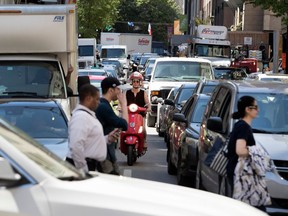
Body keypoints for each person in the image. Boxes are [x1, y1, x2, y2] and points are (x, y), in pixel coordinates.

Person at [227, 96, 272, 212]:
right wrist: (257, 152)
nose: (258, 110)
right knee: (251, 209)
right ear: (248, 109)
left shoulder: (240, 125)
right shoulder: (243, 127)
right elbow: (240, 150)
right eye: (256, 107)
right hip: (242, 174)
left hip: (238, 172)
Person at [66, 84, 118, 172]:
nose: (99, 102)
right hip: (83, 166)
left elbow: (90, 141)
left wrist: (107, 138)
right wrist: (83, 170)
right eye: (97, 99)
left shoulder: (86, 115)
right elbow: (76, 146)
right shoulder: (81, 117)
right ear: (88, 99)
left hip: (90, 165)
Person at [95, 77, 128, 175]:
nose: (120, 92)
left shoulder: (103, 105)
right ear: (110, 90)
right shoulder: (104, 107)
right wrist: (123, 103)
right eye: (118, 89)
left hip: (106, 154)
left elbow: (118, 124)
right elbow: (125, 124)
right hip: (104, 156)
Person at [125, 71, 151, 149]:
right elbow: (123, 103)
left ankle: (144, 141)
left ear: (140, 82)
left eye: (137, 81)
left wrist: (148, 108)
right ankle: (121, 142)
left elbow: (147, 103)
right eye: (134, 81)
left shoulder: (143, 93)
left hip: (140, 115)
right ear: (132, 82)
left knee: (143, 129)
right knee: (124, 128)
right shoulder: (127, 92)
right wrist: (120, 107)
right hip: (129, 115)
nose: (135, 83)